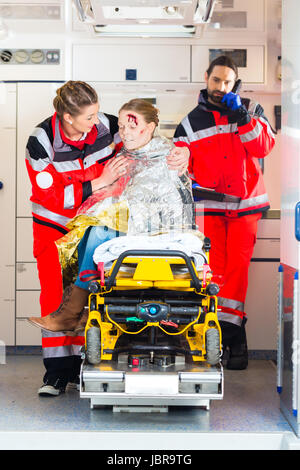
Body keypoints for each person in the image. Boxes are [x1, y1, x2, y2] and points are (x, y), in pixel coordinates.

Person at [26, 86, 190, 396]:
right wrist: (97, 182)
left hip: (96, 219)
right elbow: (49, 194)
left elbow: (146, 138)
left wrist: (183, 150)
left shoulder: (106, 125)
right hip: (55, 223)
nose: (98, 122)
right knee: (53, 294)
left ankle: (81, 367)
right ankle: (58, 374)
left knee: (89, 290)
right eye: (89, 117)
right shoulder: (41, 142)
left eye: (98, 113)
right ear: (67, 117)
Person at [173, 55, 276, 370]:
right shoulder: (189, 123)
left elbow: (263, 148)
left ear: (235, 83)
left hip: (245, 207)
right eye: (216, 80)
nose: (220, 87)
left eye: (227, 82)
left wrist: (241, 116)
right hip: (210, 208)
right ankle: (219, 337)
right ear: (207, 78)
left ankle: (234, 337)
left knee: (238, 270)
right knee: (214, 273)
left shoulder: (252, 110)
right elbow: (180, 171)